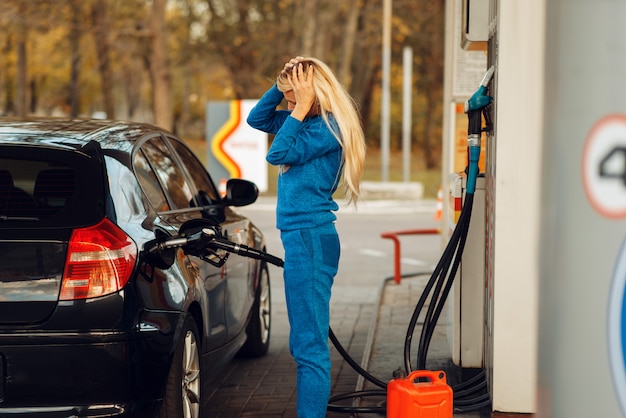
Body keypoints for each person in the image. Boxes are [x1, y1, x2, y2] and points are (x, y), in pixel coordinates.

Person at [247, 56, 366, 417]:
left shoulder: (325, 128)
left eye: (297, 90)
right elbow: (257, 119)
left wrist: (299, 105)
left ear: (315, 92)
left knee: (309, 347)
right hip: (303, 239)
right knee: (305, 344)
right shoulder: (305, 123)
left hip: (310, 239)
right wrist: (282, 87)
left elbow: (277, 153)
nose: (289, 99)